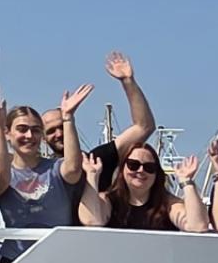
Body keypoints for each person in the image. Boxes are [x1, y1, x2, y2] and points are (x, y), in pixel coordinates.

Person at [0, 77, 91, 263]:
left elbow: (73, 168)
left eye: (36, 130)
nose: (29, 136)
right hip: (15, 260)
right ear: (8, 133)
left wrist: (68, 118)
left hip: (59, 259)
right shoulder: (2, 174)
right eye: (22, 129)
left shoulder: (55, 169)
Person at [42, 52, 157, 221]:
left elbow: (144, 127)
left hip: (98, 241)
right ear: (43, 138)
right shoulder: (39, 172)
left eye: (62, 127)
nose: (59, 134)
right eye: (51, 131)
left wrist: (128, 82)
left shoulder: (97, 160)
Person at [78, 144, 208, 232]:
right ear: (122, 169)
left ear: (157, 174)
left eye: (149, 167)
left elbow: (197, 226)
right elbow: (91, 220)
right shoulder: (108, 200)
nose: (141, 171)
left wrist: (187, 182)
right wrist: (92, 176)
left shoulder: (168, 203)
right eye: (133, 165)